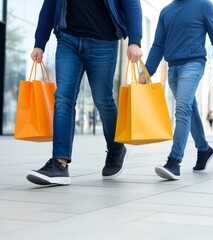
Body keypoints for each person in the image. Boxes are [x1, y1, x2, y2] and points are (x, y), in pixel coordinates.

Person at [26, 0, 143, 186]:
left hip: (104, 41)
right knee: (63, 98)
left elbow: (131, 5)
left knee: (103, 101)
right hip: (68, 40)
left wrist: (135, 40)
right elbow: (49, 6)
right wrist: (39, 43)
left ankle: (116, 149)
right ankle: (59, 163)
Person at [140, 0, 213, 180]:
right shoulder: (166, 11)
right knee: (189, 108)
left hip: (193, 64)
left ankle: (174, 161)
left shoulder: (204, 6)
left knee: (182, 108)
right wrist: (147, 71)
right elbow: (158, 45)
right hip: (173, 68)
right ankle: (204, 149)